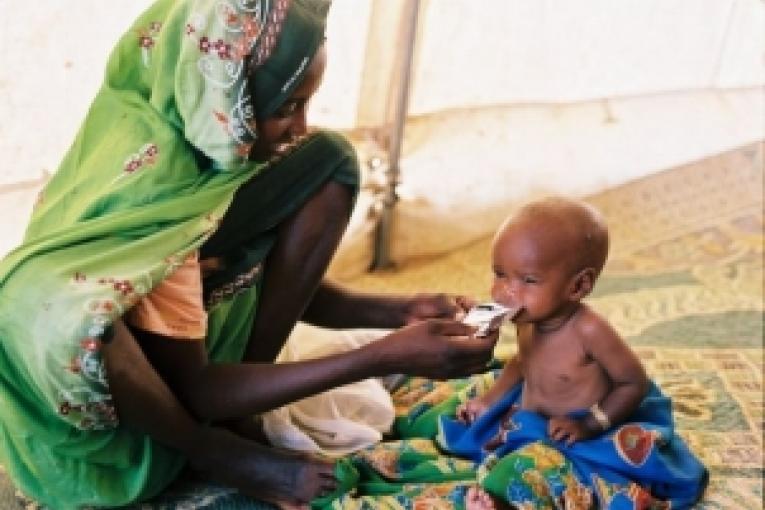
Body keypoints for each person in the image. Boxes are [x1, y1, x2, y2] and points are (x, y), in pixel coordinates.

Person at [0, 1, 498, 508]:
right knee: (63, 313)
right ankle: (213, 448)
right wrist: (381, 355)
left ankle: (245, 405)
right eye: (286, 107)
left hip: (190, 353)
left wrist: (397, 311)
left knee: (328, 163)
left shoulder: (212, 146)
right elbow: (196, 388)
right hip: (133, 415)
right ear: (228, 94)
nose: (300, 126)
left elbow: (260, 272)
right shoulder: (155, 190)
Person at [437, 197, 707, 509]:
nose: (507, 292)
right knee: (451, 409)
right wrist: (488, 400)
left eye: (528, 280)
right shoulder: (527, 317)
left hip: (576, 436)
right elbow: (522, 362)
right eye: (500, 273)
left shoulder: (590, 331)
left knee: (524, 472)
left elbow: (633, 383)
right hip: (527, 417)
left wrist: (589, 424)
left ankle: (501, 501)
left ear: (578, 287)